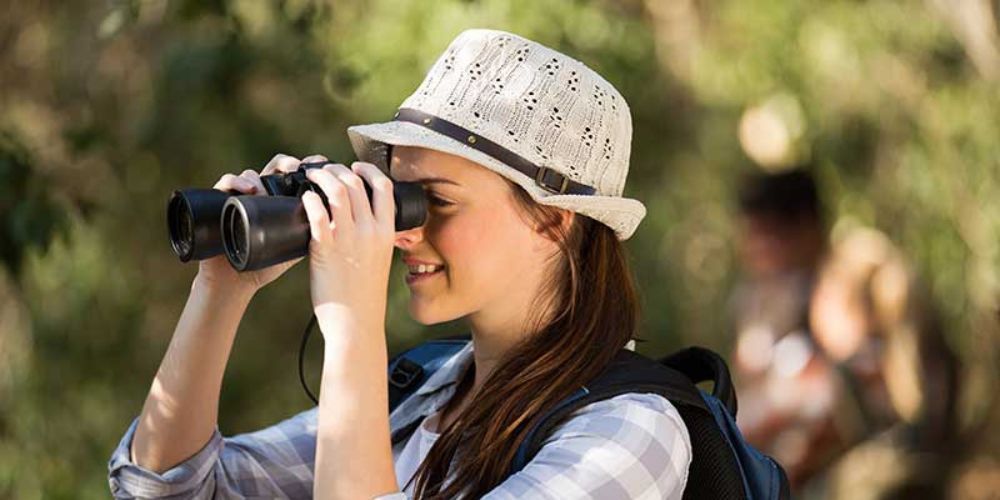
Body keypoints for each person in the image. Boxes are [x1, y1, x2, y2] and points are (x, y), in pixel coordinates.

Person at [108, 29, 692, 499]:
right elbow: (169, 488)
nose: (402, 232)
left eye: (434, 200)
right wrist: (221, 289)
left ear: (552, 220)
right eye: (396, 198)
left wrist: (352, 323)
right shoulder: (425, 395)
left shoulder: (630, 434)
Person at [728, 169, 959, 497]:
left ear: (804, 228)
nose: (755, 251)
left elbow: (859, 388)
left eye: (765, 237)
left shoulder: (855, 273)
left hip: (892, 457)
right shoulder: (773, 294)